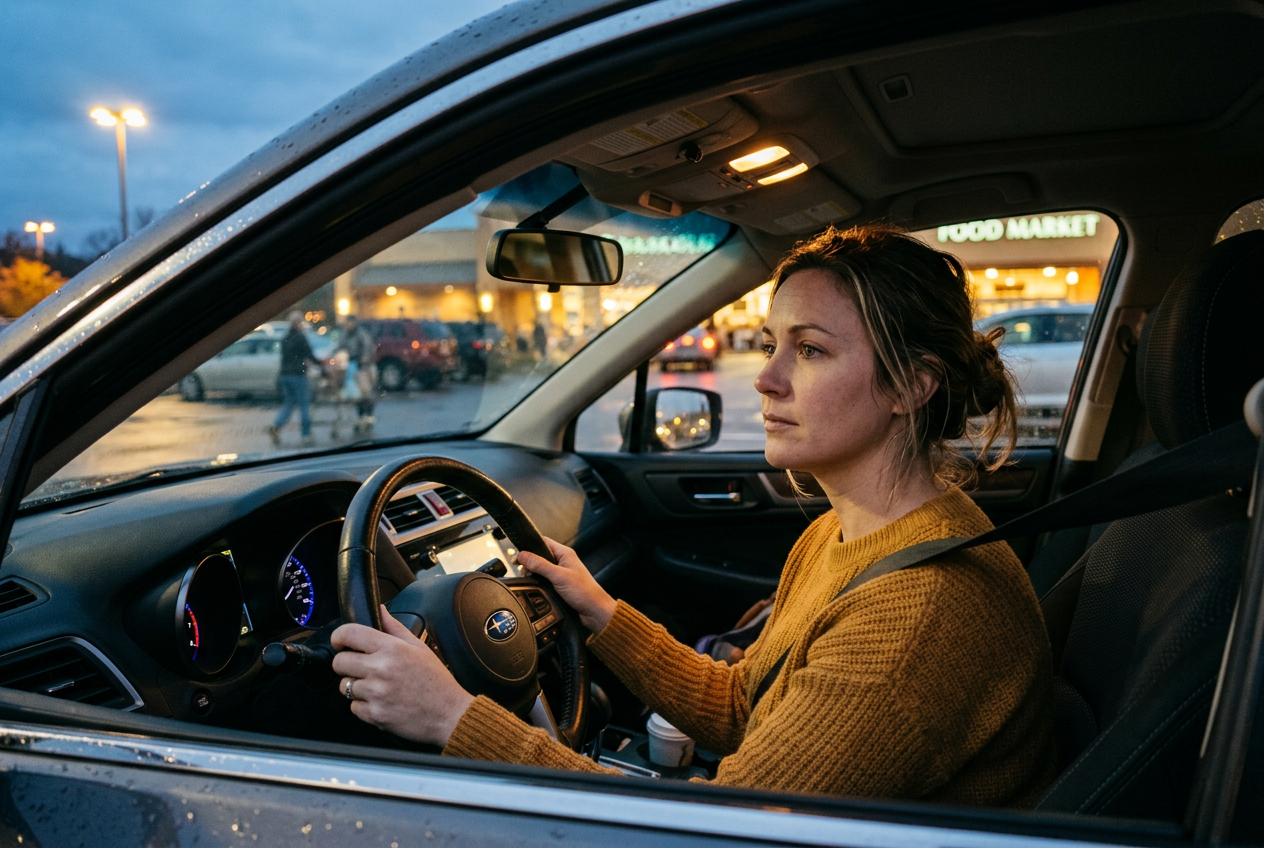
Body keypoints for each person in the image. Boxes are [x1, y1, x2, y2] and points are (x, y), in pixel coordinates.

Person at [329, 225, 1057, 806]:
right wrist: (602, 613)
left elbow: (716, 832)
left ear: (912, 385)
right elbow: (747, 704)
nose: (767, 379)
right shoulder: (849, 529)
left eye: (809, 350)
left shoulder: (918, 613)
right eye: (773, 345)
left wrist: (453, 719)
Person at [268, 312, 324, 447]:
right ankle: (306, 435)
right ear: (298, 324)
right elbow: (309, 355)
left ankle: (276, 425)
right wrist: (322, 367)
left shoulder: (285, 338)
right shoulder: (301, 338)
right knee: (304, 404)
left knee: (289, 402)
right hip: (298, 375)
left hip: (284, 375)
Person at [337, 315, 378, 433]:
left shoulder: (361, 334)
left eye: (349, 323)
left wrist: (364, 360)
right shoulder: (344, 334)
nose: (347, 325)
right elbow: (340, 346)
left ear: (354, 323)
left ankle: (368, 416)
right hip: (351, 365)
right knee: (357, 395)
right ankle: (361, 418)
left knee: (366, 392)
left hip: (362, 366)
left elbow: (367, 347)